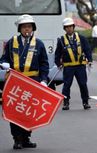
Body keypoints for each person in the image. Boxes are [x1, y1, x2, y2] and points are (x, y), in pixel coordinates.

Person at [0, 14, 49, 149]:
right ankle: (17, 139)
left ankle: (26, 137)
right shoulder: (11, 42)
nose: (27, 29)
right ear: (20, 29)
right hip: (15, 81)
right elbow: (3, 58)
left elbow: (44, 64)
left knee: (29, 111)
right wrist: (4, 64)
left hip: (32, 82)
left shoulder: (39, 44)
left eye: (29, 26)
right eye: (24, 27)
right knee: (15, 111)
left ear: (33, 28)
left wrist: (44, 80)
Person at [55, 17, 92, 110]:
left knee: (83, 84)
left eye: (70, 26)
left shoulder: (81, 38)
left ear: (73, 27)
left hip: (80, 66)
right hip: (68, 67)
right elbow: (57, 53)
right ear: (64, 28)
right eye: (67, 27)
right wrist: (58, 63)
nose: (69, 28)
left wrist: (90, 59)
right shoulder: (61, 40)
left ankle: (85, 102)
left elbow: (87, 49)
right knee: (67, 85)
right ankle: (66, 102)